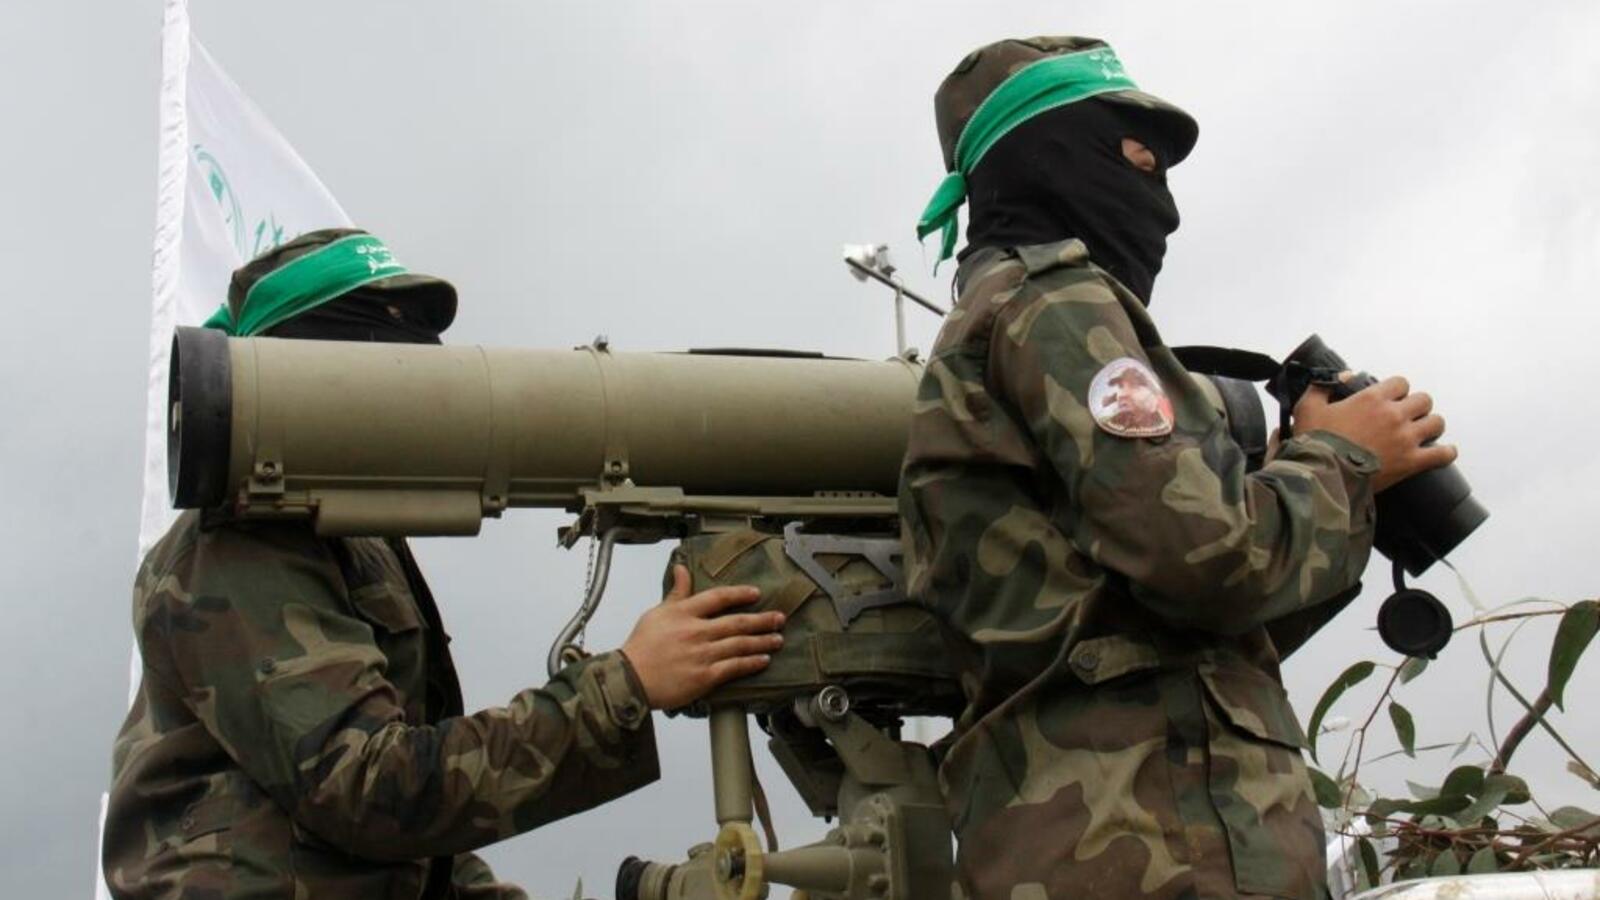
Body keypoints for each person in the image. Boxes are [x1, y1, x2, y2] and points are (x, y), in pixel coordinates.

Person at [900, 37, 1456, 899]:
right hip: (1156, 843)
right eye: (1138, 162)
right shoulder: (1054, 301)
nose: (1163, 206)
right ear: (1047, 155)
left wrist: (1289, 479)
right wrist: (1344, 458)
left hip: (1117, 841)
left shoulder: (1006, 315)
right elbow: (1210, 561)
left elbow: (1183, 630)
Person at [103, 229, 787, 900]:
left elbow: (415, 854)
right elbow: (366, 790)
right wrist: (627, 684)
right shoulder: (235, 552)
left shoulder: (351, 540)